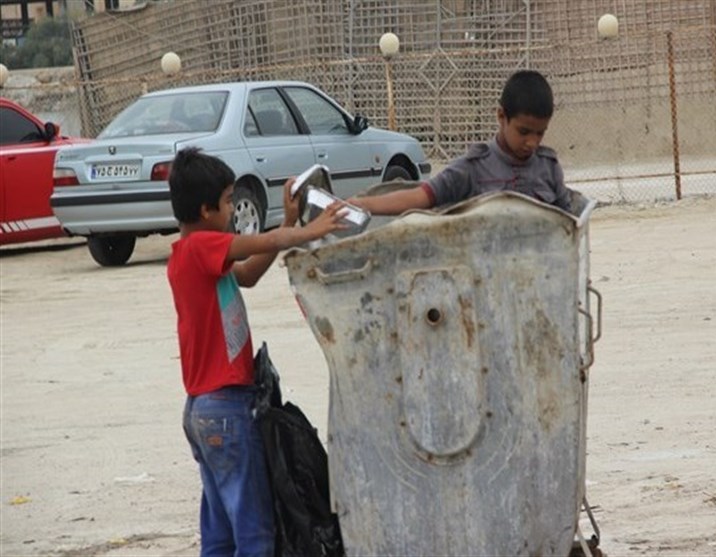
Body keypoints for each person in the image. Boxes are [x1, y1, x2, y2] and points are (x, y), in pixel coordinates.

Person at [166, 147, 348, 557]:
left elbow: (247, 274)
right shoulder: (200, 248)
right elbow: (263, 241)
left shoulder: (194, 258)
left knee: (220, 533)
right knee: (255, 534)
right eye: (229, 201)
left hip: (203, 411)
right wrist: (312, 230)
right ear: (205, 210)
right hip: (225, 408)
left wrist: (288, 222)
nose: (233, 209)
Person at [350, 69, 572, 214]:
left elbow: (570, 224)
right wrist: (361, 205)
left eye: (540, 133)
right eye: (524, 132)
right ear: (501, 116)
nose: (532, 142)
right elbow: (421, 196)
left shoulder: (548, 167)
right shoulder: (472, 168)